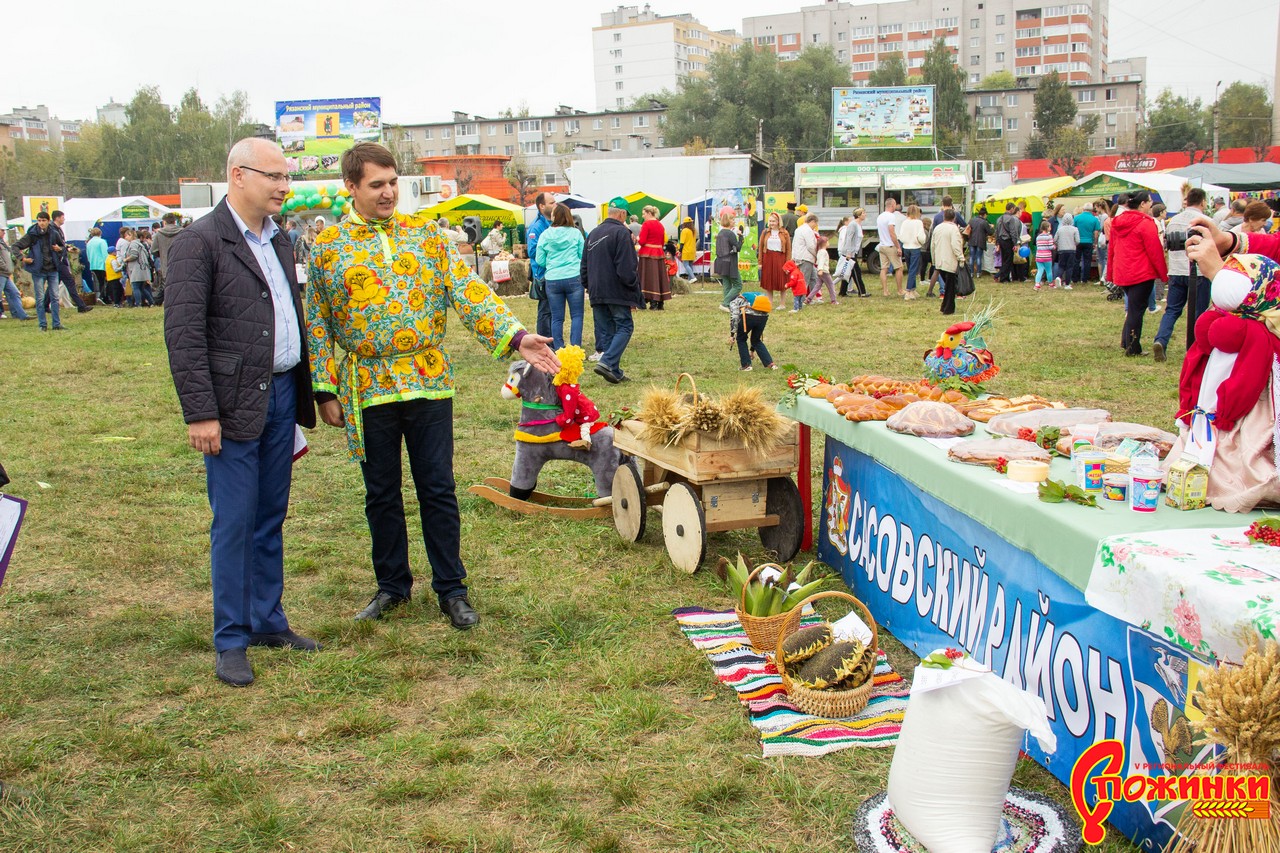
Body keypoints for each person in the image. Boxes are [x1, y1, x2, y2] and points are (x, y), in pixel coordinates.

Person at [306, 141, 558, 629]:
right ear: (351, 187)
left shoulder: (428, 237)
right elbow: (316, 322)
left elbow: (470, 295)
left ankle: (452, 589)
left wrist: (518, 336)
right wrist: (324, 388)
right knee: (381, 492)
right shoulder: (327, 248)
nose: (387, 193)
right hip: (368, 385)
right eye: (376, 184)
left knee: (437, 488)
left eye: (392, 182)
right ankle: (392, 586)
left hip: (427, 381)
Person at [163, 137, 320, 687]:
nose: (284, 186)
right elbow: (183, 337)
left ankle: (267, 621)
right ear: (237, 175)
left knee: (269, 517)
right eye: (273, 176)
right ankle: (230, 638)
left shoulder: (279, 240)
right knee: (234, 523)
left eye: (286, 176)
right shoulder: (198, 243)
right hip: (229, 408)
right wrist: (201, 412)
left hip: (279, 397)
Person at [583, 197, 642, 384]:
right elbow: (626, 267)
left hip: (596, 289)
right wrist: (633, 287)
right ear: (623, 214)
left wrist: (588, 284)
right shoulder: (621, 233)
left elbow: (584, 265)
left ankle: (613, 371)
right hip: (616, 290)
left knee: (607, 331)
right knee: (624, 326)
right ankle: (607, 361)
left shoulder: (592, 233)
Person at [1153, 188, 1212, 363]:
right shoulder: (1205, 221)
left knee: (1172, 309)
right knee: (1199, 312)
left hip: (1176, 271)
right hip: (1198, 271)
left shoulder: (1173, 221)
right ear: (1202, 202)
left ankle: (1161, 340)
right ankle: (1195, 347)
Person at [1109, 190, 1167, 356]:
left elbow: (1112, 248)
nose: (1151, 205)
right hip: (1141, 272)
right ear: (1142, 204)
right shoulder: (1146, 223)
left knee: (1133, 308)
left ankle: (1126, 341)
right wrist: (1163, 274)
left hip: (1124, 271)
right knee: (1137, 310)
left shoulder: (1118, 222)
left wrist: (1112, 272)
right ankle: (1133, 347)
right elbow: (1154, 251)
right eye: (1149, 201)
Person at [535, 203, 586, 350]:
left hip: (553, 279)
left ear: (554, 217)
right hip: (574, 276)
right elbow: (582, 255)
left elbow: (540, 260)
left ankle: (558, 348)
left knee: (557, 317)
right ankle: (575, 348)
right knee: (576, 315)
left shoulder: (545, 234)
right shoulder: (576, 233)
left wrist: (551, 263)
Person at [12, 212, 64, 331]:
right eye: (39, 220)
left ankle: (56, 324)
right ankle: (42, 324)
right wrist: (23, 259)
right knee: (40, 298)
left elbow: (63, 247)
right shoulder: (32, 234)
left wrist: (59, 249)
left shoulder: (54, 233)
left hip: (52, 269)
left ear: (48, 221)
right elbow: (15, 246)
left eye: (44, 220)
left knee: (55, 297)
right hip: (38, 270)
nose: (41, 223)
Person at [525, 192, 556, 339]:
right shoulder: (536, 227)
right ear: (541, 206)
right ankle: (544, 340)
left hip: (555, 273)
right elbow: (532, 251)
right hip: (542, 274)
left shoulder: (553, 224)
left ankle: (552, 340)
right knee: (545, 310)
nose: (555, 205)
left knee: (553, 309)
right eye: (551, 203)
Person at [48, 211, 91, 314]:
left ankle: (45, 304)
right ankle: (81, 306)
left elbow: (60, 244)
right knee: (70, 282)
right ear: (57, 218)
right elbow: (54, 247)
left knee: (54, 285)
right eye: (63, 217)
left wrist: (67, 248)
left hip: (60, 260)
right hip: (58, 261)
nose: (64, 219)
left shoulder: (57, 229)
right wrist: (63, 249)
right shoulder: (52, 230)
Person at [728, 291, 776, 371]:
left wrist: (732, 335)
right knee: (756, 340)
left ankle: (746, 365)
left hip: (748, 316)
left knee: (741, 339)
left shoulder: (734, 302)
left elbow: (735, 317)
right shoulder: (751, 296)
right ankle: (770, 364)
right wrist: (752, 351)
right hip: (763, 317)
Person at [932, 208, 965, 316]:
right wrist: (961, 257)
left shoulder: (937, 228)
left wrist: (934, 259)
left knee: (948, 285)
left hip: (939, 261)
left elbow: (933, 245)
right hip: (950, 260)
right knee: (951, 286)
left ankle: (945, 306)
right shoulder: (953, 229)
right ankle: (948, 308)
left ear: (943, 217)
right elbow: (956, 245)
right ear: (954, 218)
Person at [637, 205, 670, 310]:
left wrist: (637, 237)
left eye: (644, 214)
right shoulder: (660, 225)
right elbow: (661, 242)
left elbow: (642, 241)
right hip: (659, 254)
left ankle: (650, 301)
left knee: (648, 278)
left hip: (647, 254)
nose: (643, 216)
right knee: (658, 277)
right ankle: (660, 301)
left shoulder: (646, 224)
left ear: (649, 213)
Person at [151, 212, 184, 304]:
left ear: (164, 222)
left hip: (166, 265)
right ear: (174, 221)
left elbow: (153, 250)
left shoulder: (158, 234)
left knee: (168, 286)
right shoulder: (183, 232)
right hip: (181, 264)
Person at [714, 210, 743, 312]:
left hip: (721, 262)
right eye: (733, 219)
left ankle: (728, 305)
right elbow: (737, 248)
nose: (734, 222)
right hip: (730, 262)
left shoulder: (720, 233)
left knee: (726, 284)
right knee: (738, 284)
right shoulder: (730, 234)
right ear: (729, 221)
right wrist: (741, 237)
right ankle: (725, 303)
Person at [760, 211, 791, 304]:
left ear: (778, 222)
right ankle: (770, 303)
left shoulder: (784, 233)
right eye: (770, 221)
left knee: (782, 281)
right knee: (769, 281)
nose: (771, 223)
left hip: (780, 258)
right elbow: (761, 247)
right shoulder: (765, 232)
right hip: (768, 258)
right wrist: (760, 262)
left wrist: (787, 263)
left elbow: (789, 249)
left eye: (773, 221)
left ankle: (782, 303)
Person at [876, 196, 904, 297]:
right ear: (892, 205)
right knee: (899, 268)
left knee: (884, 268)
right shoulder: (891, 216)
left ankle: (885, 291)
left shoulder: (880, 216)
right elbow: (892, 232)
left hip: (882, 245)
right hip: (890, 245)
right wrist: (898, 247)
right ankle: (900, 290)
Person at [898, 205, 926, 300]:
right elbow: (921, 236)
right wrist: (921, 242)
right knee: (913, 270)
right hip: (915, 247)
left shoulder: (904, 222)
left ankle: (913, 289)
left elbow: (900, 235)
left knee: (911, 268)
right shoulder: (918, 222)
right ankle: (909, 290)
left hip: (906, 247)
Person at [791, 213, 820, 303]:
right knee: (804, 280)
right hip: (806, 258)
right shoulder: (808, 230)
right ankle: (801, 300)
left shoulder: (799, 229)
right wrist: (817, 255)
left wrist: (793, 257)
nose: (815, 226)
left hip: (800, 257)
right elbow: (811, 246)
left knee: (814, 278)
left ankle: (811, 298)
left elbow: (794, 244)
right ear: (812, 221)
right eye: (815, 223)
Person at [838, 209, 868, 298]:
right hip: (850, 253)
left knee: (849, 272)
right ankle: (862, 292)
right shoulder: (853, 224)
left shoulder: (858, 225)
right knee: (856, 272)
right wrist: (849, 252)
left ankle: (842, 292)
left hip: (853, 251)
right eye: (863, 213)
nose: (865, 215)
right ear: (858, 215)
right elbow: (849, 239)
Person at [0, 231, 29, 320]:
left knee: (14, 293)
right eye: (2, 230)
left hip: (5, 273)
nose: (4, 232)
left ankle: (21, 315)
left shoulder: (2, 243)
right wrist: (6, 268)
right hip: (2, 273)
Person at [125, 229, 156, 307]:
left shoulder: (133, 244)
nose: (125, 238)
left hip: (136, 269)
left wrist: (126, 259)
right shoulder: (140, 244)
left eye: (127, 236)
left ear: (131, 235)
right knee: (142, 288)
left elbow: (134, 255)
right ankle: (151, 302)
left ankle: (138, 304)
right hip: (143, 269)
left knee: (135, 287)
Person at [1073, 203, 1100, 283]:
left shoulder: (1077, 218)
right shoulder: (1094, 219)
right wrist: (1095, 242)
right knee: (1087, 261)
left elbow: (1073, 229)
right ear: (1092, 210)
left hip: (1078, 242)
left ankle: (1075, 278)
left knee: (1076, 260)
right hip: (1088, 241)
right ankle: (1084, 279)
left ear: (1083, 209)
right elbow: (1096, 233)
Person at [995, 203, 1022, 283]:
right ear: (1012, 209)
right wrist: (1015, 243)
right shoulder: (1011, 219)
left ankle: (1004, 277)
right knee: (1008, 260)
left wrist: (997, 242)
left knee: (1004, 259)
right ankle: (1002, 277)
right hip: (1008, 240)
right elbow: (1013, 232)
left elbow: (997, 231)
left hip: (1001, 240)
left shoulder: (1000, 218)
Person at [1054, 213, 1078, 291]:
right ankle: (1067, 284)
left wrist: (1059, 244)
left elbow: (1055, 239)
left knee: (1061, 266)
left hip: (1061, 250)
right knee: (1069, 267)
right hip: (1071, 250)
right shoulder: (1075, 229)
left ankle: (1058, 277)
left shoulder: (1060, 229)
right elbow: (1078, 240)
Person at [968, 206, 993, 279]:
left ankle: (971, 273)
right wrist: (991, 227)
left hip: (971, 241)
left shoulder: (972, 220)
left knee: (972, 257)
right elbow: (990, 233)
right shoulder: (984, 222)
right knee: (979, 257)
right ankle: (978, 273)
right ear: (984, 214)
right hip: (980, 241)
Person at [85, 227, 108, 301]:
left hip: (93, 265)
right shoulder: (102, 241)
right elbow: (105, 254)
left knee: (100, 281)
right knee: (106, 281)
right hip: (102, 264)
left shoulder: (89, 243)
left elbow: (88, 255)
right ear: (100, 233)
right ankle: (103, 297)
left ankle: (103, 297)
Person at [1032, 220, 1055, 290]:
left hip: (1039, 256)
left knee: (1040, 270)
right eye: (1050, 226)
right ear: (1047, 228)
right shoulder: (1049, 236)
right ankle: (1051, 283)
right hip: (1047, 256)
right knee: (1048, 270)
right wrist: (1054, 246)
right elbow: (1051, 247)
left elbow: (1038, 246)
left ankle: (1037, 283)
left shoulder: (1038, 237)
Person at [677, 216, 697, 281]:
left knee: (686, 264)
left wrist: (680, 251)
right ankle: (690, 280)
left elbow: (682, 243)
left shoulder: (684, 231)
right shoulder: (694, 230)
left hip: (686, 250)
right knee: (690, 265)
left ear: (684, 224)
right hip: (692, 250)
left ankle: (693, 277)